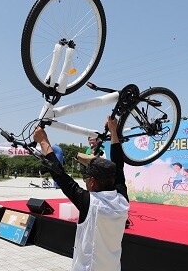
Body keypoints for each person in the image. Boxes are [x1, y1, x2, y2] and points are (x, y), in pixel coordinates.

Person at [33, 115, 129, 271]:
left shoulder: (91, 203)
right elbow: (119, 167)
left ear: (91, 181)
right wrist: (113, 131)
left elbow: (60, 175)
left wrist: (42, 141)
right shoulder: (122, 199)